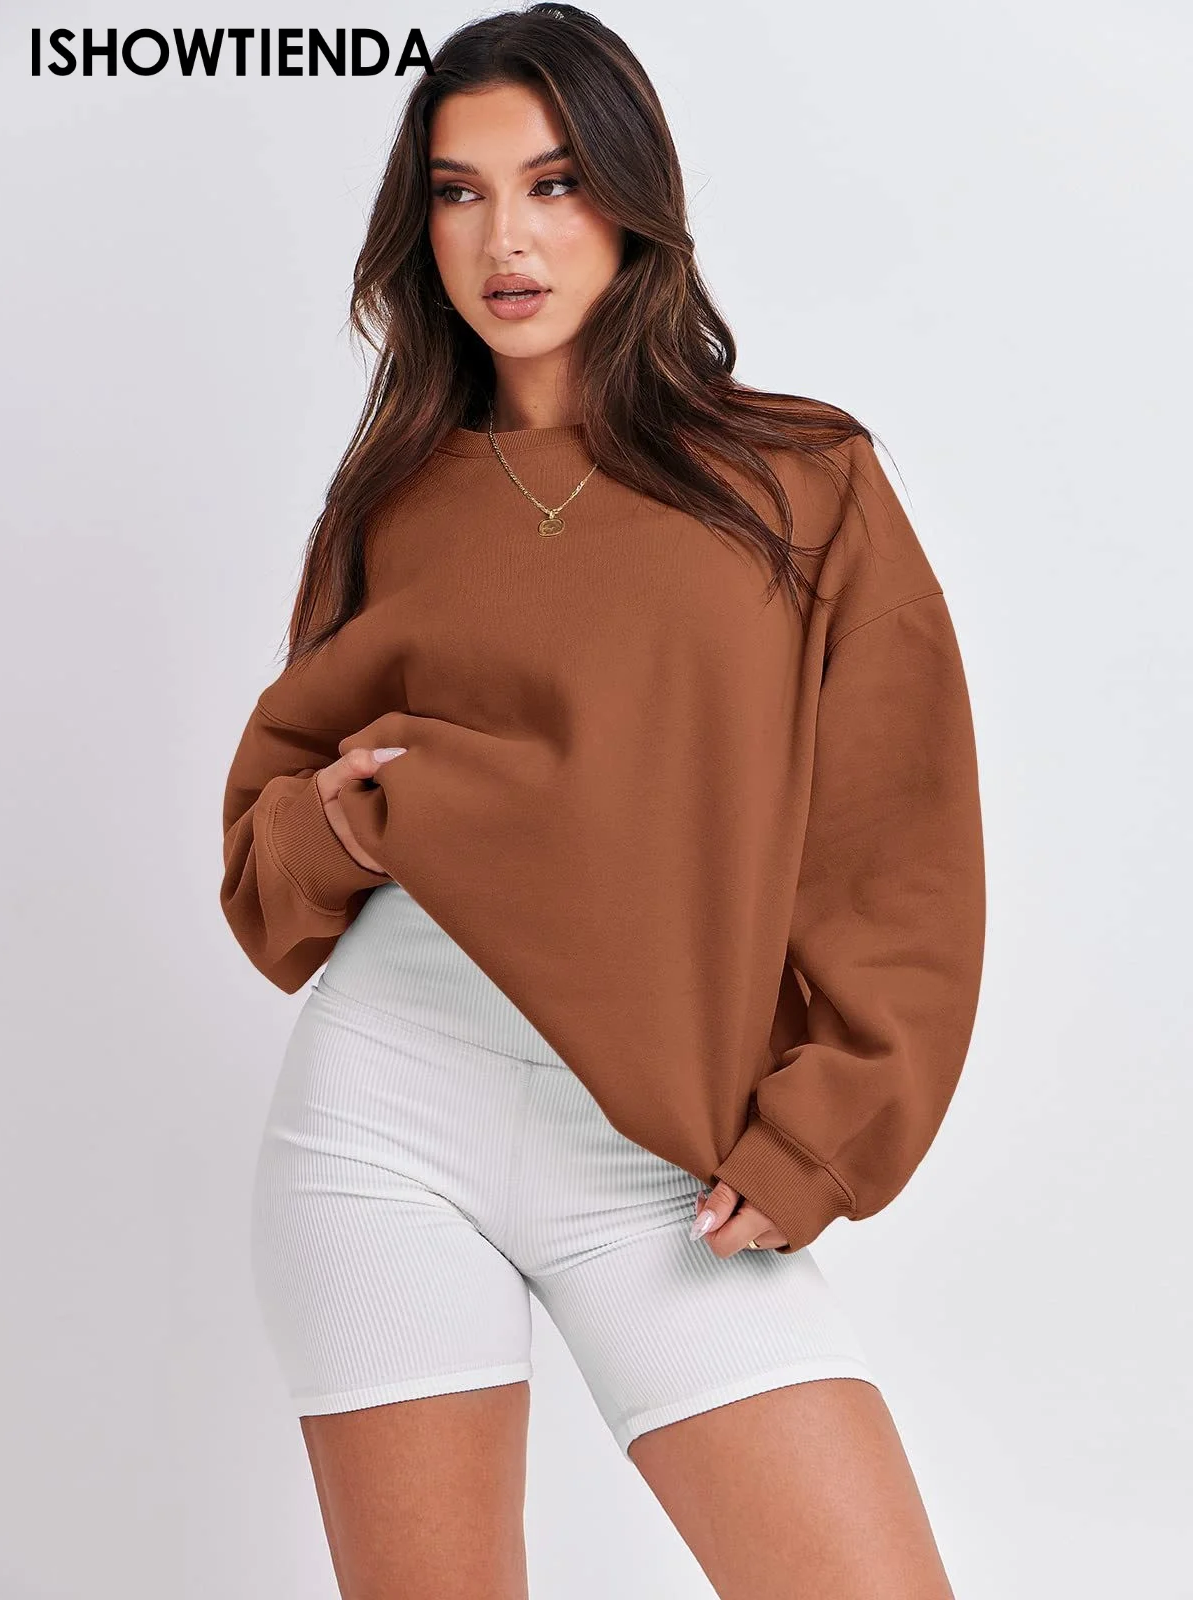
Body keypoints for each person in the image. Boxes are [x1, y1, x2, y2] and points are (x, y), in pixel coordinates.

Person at [218, 6, 985, 1596]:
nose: (505, 238)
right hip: (384, 1115)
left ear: (633, 200)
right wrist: (336, 830)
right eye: (459, 191)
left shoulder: (799, 478)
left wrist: (824, 1137)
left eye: (553, 183)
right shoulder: (394, 498)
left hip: (663, 1152)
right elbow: (271, 846)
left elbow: (896, 845)